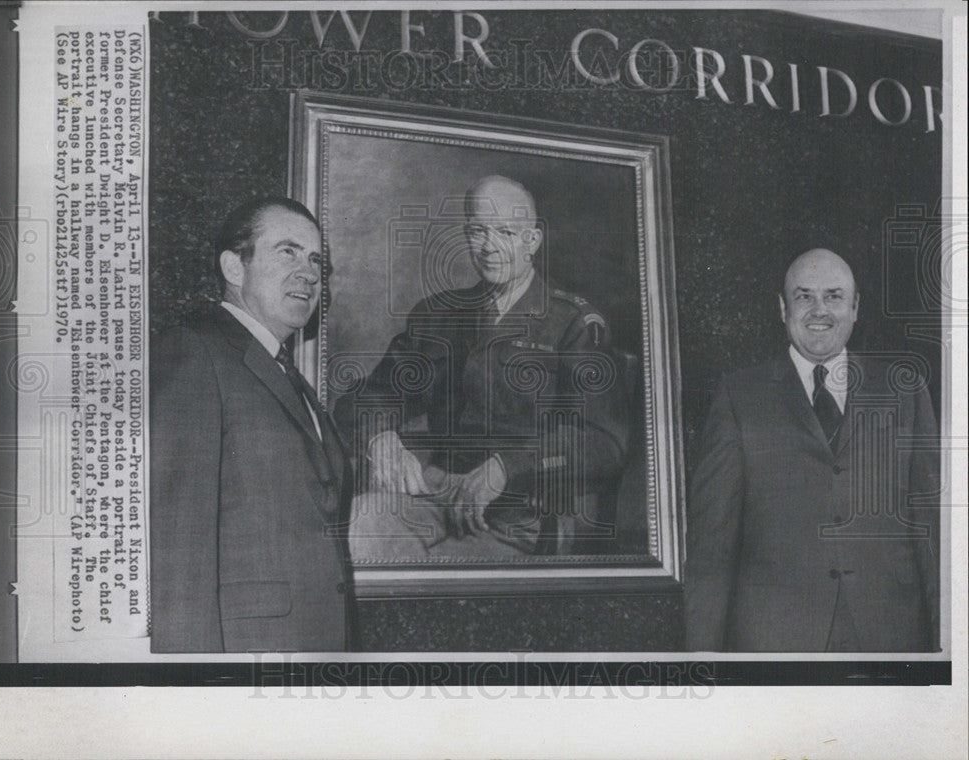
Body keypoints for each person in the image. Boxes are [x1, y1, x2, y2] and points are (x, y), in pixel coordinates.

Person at [339, 175, 631, 559]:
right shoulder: (437, 316)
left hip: (520, 514)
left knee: (420, 575)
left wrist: (507, 468)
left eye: (506, 232)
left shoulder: (573, 322)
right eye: (478, 231)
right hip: (435, 495)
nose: (489, 247)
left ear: (533, 242)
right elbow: (363, 399)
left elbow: (603, 443)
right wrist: (380, 439)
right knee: (358, 526)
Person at [685, 248, 940, 652]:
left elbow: (936, 538)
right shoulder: (738, 396)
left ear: (856, 307)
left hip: (890, 644)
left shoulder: (904, 391)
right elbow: (711, 551)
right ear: (782, 307)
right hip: (775, 647)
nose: (819, 310)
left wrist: (953, 653)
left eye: (834, 296)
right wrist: (702, 665)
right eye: (804, 297)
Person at [150, 197, 353, 652]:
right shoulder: (194, 352)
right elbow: (176, 551)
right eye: (288, 251)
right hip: (245, 658)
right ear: (234, 268)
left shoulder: (284, 373)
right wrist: (194, 687)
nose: (309, 272)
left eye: (316, 259)